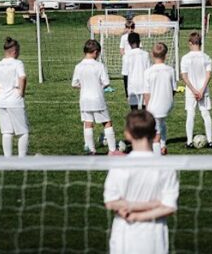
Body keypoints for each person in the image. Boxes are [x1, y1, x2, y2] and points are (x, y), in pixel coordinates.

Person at [104, 110, 179, 254]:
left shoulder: (118, 166)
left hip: (124, 236)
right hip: (154, 239)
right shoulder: (166, 167)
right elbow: (168, 206)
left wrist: (134, 212)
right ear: (155, 134)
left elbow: (111, 202)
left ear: (127, 134)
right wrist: (153, 204)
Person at [0, 37, 29, 157]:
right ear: (14, 51)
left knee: (6, 132)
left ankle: (7, 159)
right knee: (23, 132)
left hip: (2, 101)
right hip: (15, 100)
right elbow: (22, 77)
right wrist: (22, 92)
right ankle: (22, 160)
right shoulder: (18, 63)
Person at [72, 39, 118, 155]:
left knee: (88, 123)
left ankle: (91, 150)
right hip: (97, 99)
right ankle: (112, 150)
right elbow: (106, 82)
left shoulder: (78, 66)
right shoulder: (99, 66)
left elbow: (74, 84)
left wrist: (84, 85)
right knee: (107, 122)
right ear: (96, 52)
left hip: (84, 100)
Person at [181, 31, 212, 149]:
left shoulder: (185, 58)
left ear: (190, 43)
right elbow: (208, 75)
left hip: (191, 91)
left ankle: (189, 141)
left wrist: (194, 90)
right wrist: (201, 90)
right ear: (200, 43)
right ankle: (210, 141)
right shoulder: (206, 57)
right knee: (206, 114)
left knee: (190, 114)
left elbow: (184, 77)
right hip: (203, 90)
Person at [144, 42, 177, 156]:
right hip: (168, 104)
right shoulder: (171, 70)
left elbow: (146, 93)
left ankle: (157, 158)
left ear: (152, 55)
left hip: (155, 106)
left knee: (155, 133)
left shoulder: (148, 71)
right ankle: (163, 146)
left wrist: (147, 109)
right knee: (161, 123)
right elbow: (174, 89)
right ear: (166, 55)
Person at [123, 32, 150, 111]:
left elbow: (125, 75)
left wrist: (126, 93)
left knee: (134, 111)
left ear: (129, 43)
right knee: (145, 110)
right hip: (144, 85)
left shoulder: (126, 56)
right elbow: (149, 72)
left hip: (132, 86)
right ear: (139, 41)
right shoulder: (146, 54)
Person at [120, 20, 136, 97]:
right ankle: (127, 93)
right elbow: (121, 49)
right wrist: (125, 57)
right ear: (126, 28)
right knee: (126, 76)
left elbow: (140, 47)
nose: (130, 29)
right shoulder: (123, 37)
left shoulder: (136, 36)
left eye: (132, 27)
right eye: (128, 27)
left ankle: (135, 91)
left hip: (135, 59)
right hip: (127, 60)